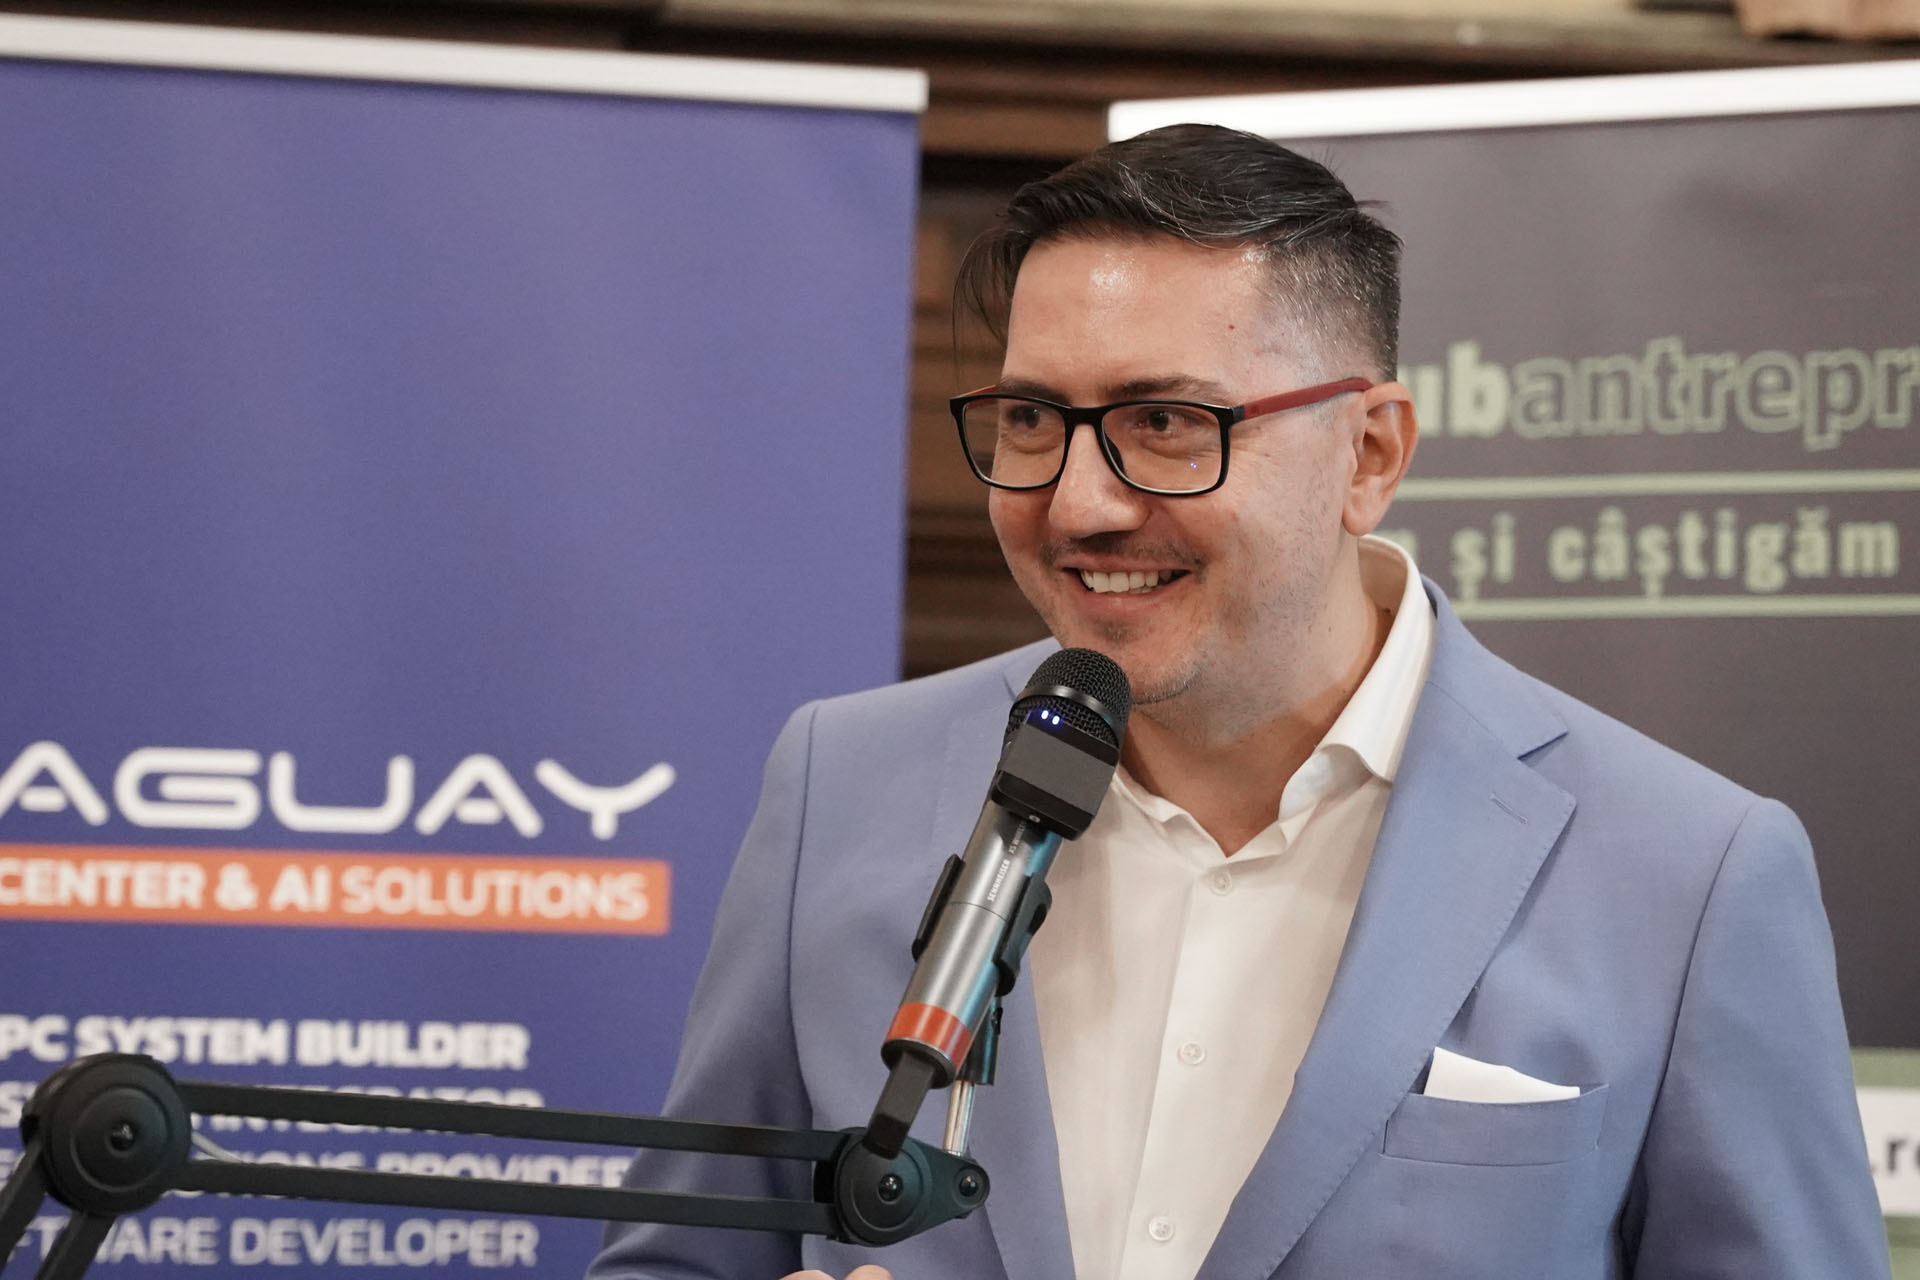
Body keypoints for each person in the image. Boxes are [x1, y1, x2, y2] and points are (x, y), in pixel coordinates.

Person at [587, 124, 1888, 1279]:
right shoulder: (842, 784)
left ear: (1369, 453)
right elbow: (684, 1259)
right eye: (1032, 418)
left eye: (1165, 422)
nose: (1080, 503)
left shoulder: (1690, 877)